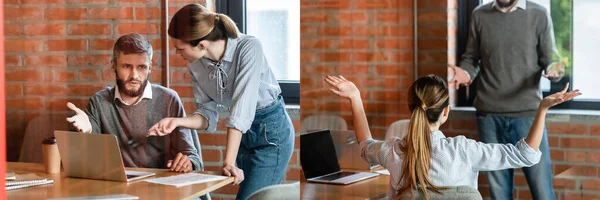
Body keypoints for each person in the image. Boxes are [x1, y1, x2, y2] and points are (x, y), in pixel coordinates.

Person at [325, 74, 580, 200]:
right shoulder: (465, 151)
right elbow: (526, 154)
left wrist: (355, 98)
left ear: (410, 109)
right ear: (445, 112)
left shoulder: (394, 152)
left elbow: (365, 146)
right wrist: (543, 108)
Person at [146, 4, 295, 200]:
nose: (176, 53)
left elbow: (241, 112)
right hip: (241, 136)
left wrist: (229, 162)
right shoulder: (195, 64)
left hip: (271, 134)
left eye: (179, 48)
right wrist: (177, 122)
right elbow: (208, 115)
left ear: (202, 44)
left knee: (252, 198)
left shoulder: (249, 47)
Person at [448, 0, 565, 199]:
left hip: (528, 117)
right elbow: (471, 58)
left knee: (543, 191)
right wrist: (466, 73)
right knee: (499, 194)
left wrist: (555, 69)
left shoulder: (539, 14)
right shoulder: (479, 14)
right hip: (489, 117)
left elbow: (550, 59)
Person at [66, 33, 204, 174]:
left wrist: (187, 163)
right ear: (113, 66)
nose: (134, 75)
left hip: (160, 188)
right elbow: (85, 150)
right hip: (118, 189)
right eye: (126, 66)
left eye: (141, 67)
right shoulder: (100, 101)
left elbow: (193, 157)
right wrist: (87, 128)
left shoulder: (169, 99)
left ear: (150, 67)